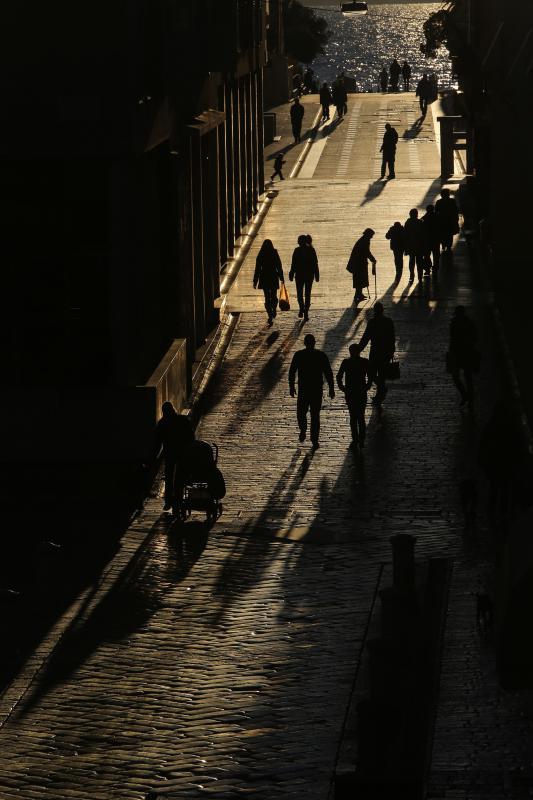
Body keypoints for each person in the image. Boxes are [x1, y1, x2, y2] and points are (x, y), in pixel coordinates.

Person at [288, 333, 334, 449]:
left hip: (304, 388)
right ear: (314, 343)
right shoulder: (321, 355)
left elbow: (292, 371)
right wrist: (331, 388)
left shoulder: (299, 355)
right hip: (316, 389)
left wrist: (291, 386)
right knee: (315, 415)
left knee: (301, 413)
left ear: (305, 343)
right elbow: (328, 373)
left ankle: (303, 429)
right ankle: (314, 439)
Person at [153, 401, 195, 511]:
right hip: (182, 452)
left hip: (170, 453)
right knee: (179, 477)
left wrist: (154, 457)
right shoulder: (182, 420)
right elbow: (191, 437)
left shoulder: (162, 423)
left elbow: (158, 442)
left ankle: (168, 502)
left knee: (169, 477)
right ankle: (178, 500)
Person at [359, 302, 396, 411]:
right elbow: (392, 338)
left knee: (372, 373)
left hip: (376, 352)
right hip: (384, 352)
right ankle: (381, 391)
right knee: (380, 374)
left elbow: (366, 338)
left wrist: (359, 349)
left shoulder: (373, 322)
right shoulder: (388, 322)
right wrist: (391, 351)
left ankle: (380, 394)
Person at [337, 342, 370, 450]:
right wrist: (367, 386)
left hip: (351, 393)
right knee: (360, 416)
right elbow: (371, 375)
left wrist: (343, 388)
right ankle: (361, 439)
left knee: (353, 417)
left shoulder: (346, 362)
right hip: (361, 392)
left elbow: (339, 377)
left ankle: (356, 439)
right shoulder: (364, 362)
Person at [448, 305, 478, 408]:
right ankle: (469, 397)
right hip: (466, 352)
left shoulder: (454, 323)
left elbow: (452, 339)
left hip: (458, 353)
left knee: (457, 377)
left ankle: (466, 395)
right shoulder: (469, 322)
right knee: (467, 377)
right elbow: (475, 337)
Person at [253, 239, 285, 326]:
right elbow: (279, 265)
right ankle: (274, 308)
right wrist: (281, 276)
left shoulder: (261, 254)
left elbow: (257, 269)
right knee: (274, 295)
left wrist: (255, 281)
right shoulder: (274, 253)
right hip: (273, 276)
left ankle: (269, 314)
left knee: (267, 297)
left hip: (264, 277)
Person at [289, 234, 320, 320]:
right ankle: (305, 311)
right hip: (309, 276)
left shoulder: (297, 250)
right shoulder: (311, 250)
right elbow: (315, 264)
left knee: (299, 294)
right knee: (307, 294)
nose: (297, 242)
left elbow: (293, 263)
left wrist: (291, 273)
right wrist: (317, 274)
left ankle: (302, 308)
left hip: (299, 276)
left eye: (298, 240)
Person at [346, 228, 376, 302]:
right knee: (360, 279)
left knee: (360, 279)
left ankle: (359, 294)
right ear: (368, 234)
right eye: (371, 235)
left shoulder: (364, 239)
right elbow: (366, 252)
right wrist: (372, 259)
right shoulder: (365, 241)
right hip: (359, 263)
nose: (372, 237)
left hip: (359, 262)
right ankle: (358, 294)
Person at [403, 208, 426, 282]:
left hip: (411, 245)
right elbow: (423, 234)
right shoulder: (420, 222)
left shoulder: (408, 223)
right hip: (419, 245)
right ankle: (420, 276)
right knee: (419, 262)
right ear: (416, 214)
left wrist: (405, 246)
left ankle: (411, 275)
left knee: (411, 261)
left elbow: (405, 234)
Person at [435, 188, 460, 252]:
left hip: (442, 221)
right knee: (449, 234)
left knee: (443, 233)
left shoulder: (439, 202)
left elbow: (436, 211)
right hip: (450, 221)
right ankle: (448, 245)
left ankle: (443, 244)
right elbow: (455, 211)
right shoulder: (452, 201)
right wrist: (456, 219)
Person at [421, 204, 441, 272]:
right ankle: (435, 267)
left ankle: (427, 267)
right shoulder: (437, 217)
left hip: (427, 239)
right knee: (436, 254)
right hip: (436, 239)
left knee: (426, 254)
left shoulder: (424, 218)